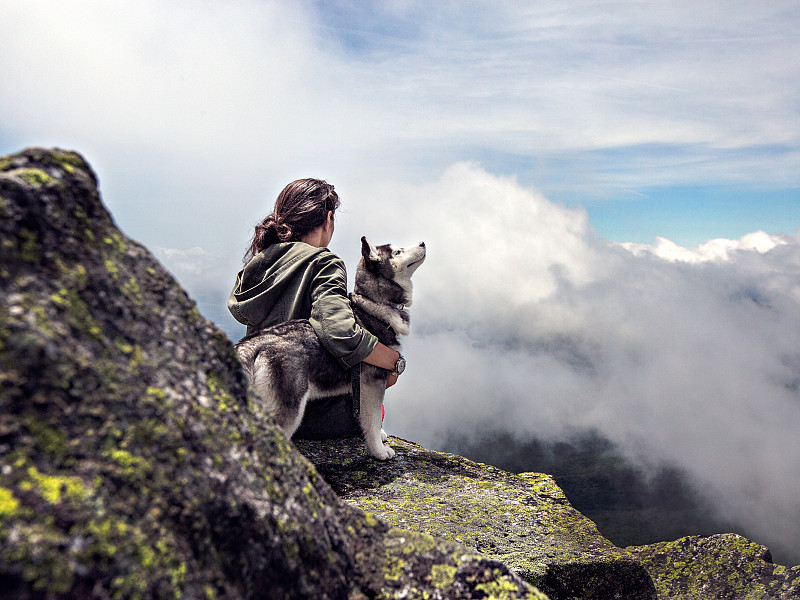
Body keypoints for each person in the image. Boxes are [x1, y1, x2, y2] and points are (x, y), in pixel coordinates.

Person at [227, 178, 404, 439]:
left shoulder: (259, 264)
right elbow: (340, 330)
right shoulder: (324, 262)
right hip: (314, 418)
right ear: (328, 218)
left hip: (263, 409)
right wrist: (393, 361)